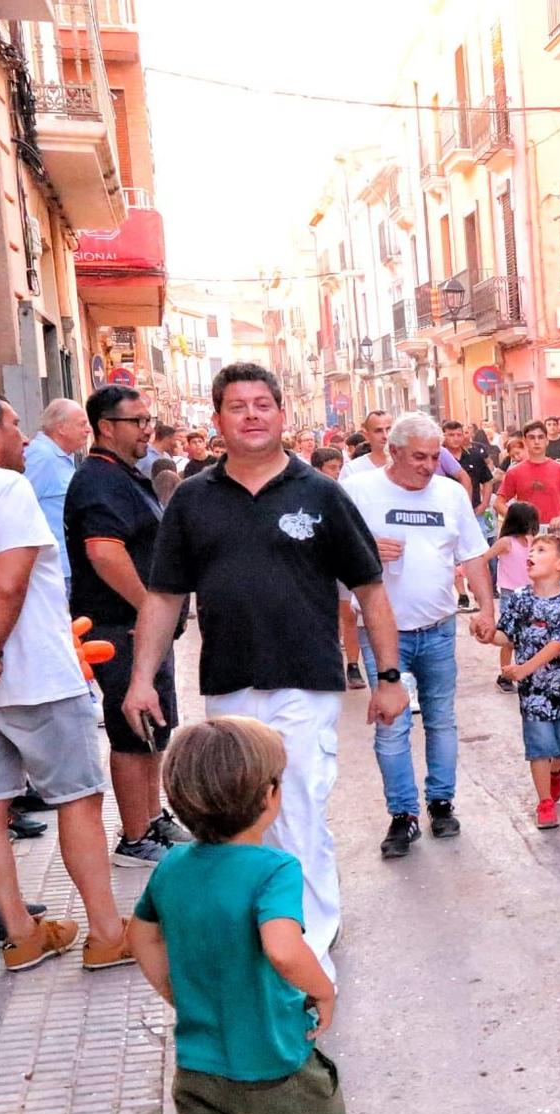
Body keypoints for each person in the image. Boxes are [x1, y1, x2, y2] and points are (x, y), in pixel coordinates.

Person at [126, 717, 449, 1114]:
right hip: (277, 1064)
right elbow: (281, 946)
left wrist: (173, 989)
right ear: (270, 797)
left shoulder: (170, 869)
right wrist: (323, 988)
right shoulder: (271, 870)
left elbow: (138, 932)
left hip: (202, 1066)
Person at [125, 363, 407, 969]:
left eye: (262, 404)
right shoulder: (193, 501)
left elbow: (370, 589)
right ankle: (266, 925)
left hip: (306, 681)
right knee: (238, 815)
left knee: (298, 806)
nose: (251, 415)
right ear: (218, 418)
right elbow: (164, 595)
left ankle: (309, 941)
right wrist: (141, 679)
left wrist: (388, 678)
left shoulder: (322, 494)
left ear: (282, 414)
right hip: (229, 683)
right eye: (237, 406)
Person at [0, 387, 133, 972]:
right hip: (33, 673)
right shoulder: (6, 488)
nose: (23, 436)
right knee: (78, 803)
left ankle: (20, 936)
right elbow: (8, 584)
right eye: (13, 424)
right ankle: (108, 934)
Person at [343, 414, 496, 859]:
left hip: (439, 630)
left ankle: (441, 803)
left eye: (435, 457)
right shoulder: (358, 491)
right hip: (381, 635)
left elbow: (473, 556)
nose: (430, 466)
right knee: (392, 727)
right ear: (393, 452)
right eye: (419, 457)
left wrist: (486, 608)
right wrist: (366, 549)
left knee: (441, 720)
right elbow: (327, 559)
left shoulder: (450, 493)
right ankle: (403, 815)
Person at [66, 384, 190, 868]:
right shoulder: (98, 480)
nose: (147, 429)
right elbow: (103, 551)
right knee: (129, 728)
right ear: (105, 427)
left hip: (141, 628)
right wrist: (148, 610)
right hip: (119, 629)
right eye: (137, 421)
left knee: (154, 727)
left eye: (148, 420)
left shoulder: (126, 475)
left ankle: (152, 816)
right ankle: (135, 837)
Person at [492, 535, 560, 830]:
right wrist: (484, 633)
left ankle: (557, 770)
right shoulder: (519, 598)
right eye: (531, 550)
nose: (531, 553)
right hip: (532, 693)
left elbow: (558, 643)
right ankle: (544, 802)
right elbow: (505, 634)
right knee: (539, 746)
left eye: (541, 550)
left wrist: (523, 668)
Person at [22, 397, 89, 588]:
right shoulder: (40, 457)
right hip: (53, 570)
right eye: (82, 424)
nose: (88, 430)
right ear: (61, 427)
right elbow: (19, 508)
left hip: (66, 566)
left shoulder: (61, 457)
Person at [488, 501, 539, 694]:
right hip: (510, 596)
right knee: (510, 639)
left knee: (530, 636)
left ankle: (526, 670)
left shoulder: (533, 541)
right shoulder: (506, 542)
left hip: (532, 594)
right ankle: (505, 674)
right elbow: (485, 558)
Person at [495, 420, 560, 533]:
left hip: (554, 529)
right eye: (532, 438)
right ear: (525, 441)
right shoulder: (514, 472)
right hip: (527, 532)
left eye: (540, 437)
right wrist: (517, 520)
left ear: (547, 441)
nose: (536, 442)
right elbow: (498, 504)